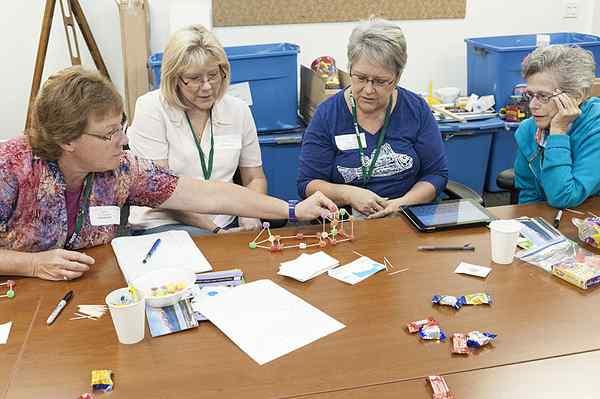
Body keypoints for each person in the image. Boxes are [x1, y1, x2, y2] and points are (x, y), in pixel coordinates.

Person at [0, 66, 336, 281]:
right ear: (66, 139)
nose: (124, 140)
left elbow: (208, 194)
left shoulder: (123, 169)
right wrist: (31, 264)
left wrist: (292, 210)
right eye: (109, 134)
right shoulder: (11, 166)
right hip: (22, 296)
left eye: (122, 127)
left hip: (92, 292)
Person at [297, 18, 447, 219]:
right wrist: (349, 194)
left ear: (398, 77)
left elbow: (435, 175)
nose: (368, 90)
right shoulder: (327, 115)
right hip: (345, 222)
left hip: (405, 218)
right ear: (350, 68)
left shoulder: (416, 109)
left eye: (380, 81)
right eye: (360, 77)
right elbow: (307, 183)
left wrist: (401, 204)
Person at [128, 25, 266, 236]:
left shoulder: (237, 110)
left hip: (224, 222)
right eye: (194, 79)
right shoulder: (151, 109)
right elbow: (160, 193)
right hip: (164, 222)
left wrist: (250, 214)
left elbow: (254, 177)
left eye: (213, 75)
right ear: (174, 79)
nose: (207, 86)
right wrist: (215, 230)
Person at [514, 44, 600, 208]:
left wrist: (558, 132)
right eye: (530, 95)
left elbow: (564, 197)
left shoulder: (595, 129)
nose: (533, 105)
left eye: (544, 96)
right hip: (552, 220)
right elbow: (528, 194)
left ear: (577, 96)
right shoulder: (528, 130)